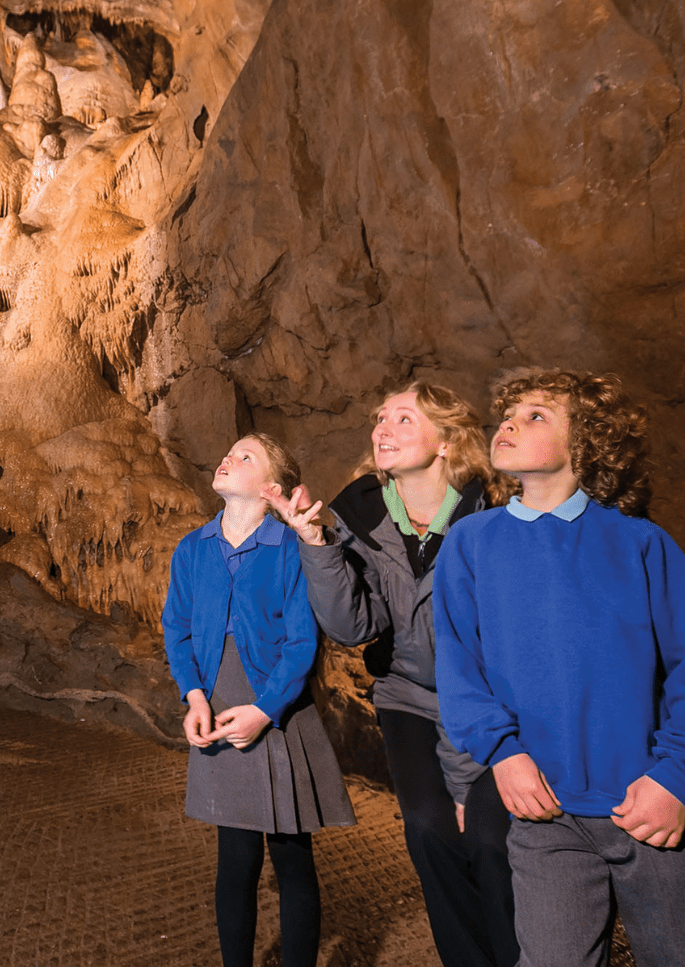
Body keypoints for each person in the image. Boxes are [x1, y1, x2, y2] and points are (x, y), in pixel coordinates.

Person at [435, 368, 685, 967]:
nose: (509, 423)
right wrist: (502, 754)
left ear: (587, 444)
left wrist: (677, 776)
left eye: (537, 416)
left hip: (646, 806)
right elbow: (459, 666)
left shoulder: (641, 543)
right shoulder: (471, 543)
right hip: (542, 812)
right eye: (508, 414)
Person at [274, 382, 518, 967]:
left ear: (446, 441)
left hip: (490, 704)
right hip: (407, 695)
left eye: (404, 420)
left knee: (490, 841)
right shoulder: (363, 515)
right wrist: (316, 544)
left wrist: (465, 775)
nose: (383, 428)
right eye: (380, 418)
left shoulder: (495, 513)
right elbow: (354, 627)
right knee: (430, 833)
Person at [162, 433, 354, 967]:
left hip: (277, 708)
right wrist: (195, 696)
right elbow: (175, 628)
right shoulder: (192, 548)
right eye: (228, 451)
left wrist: (267, 711)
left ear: (272, 487)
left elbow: (302, 643)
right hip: (219, 704)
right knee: (236, 858)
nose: (227, 457)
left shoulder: (289, 548)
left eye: (245, 456)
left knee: (292, 856)